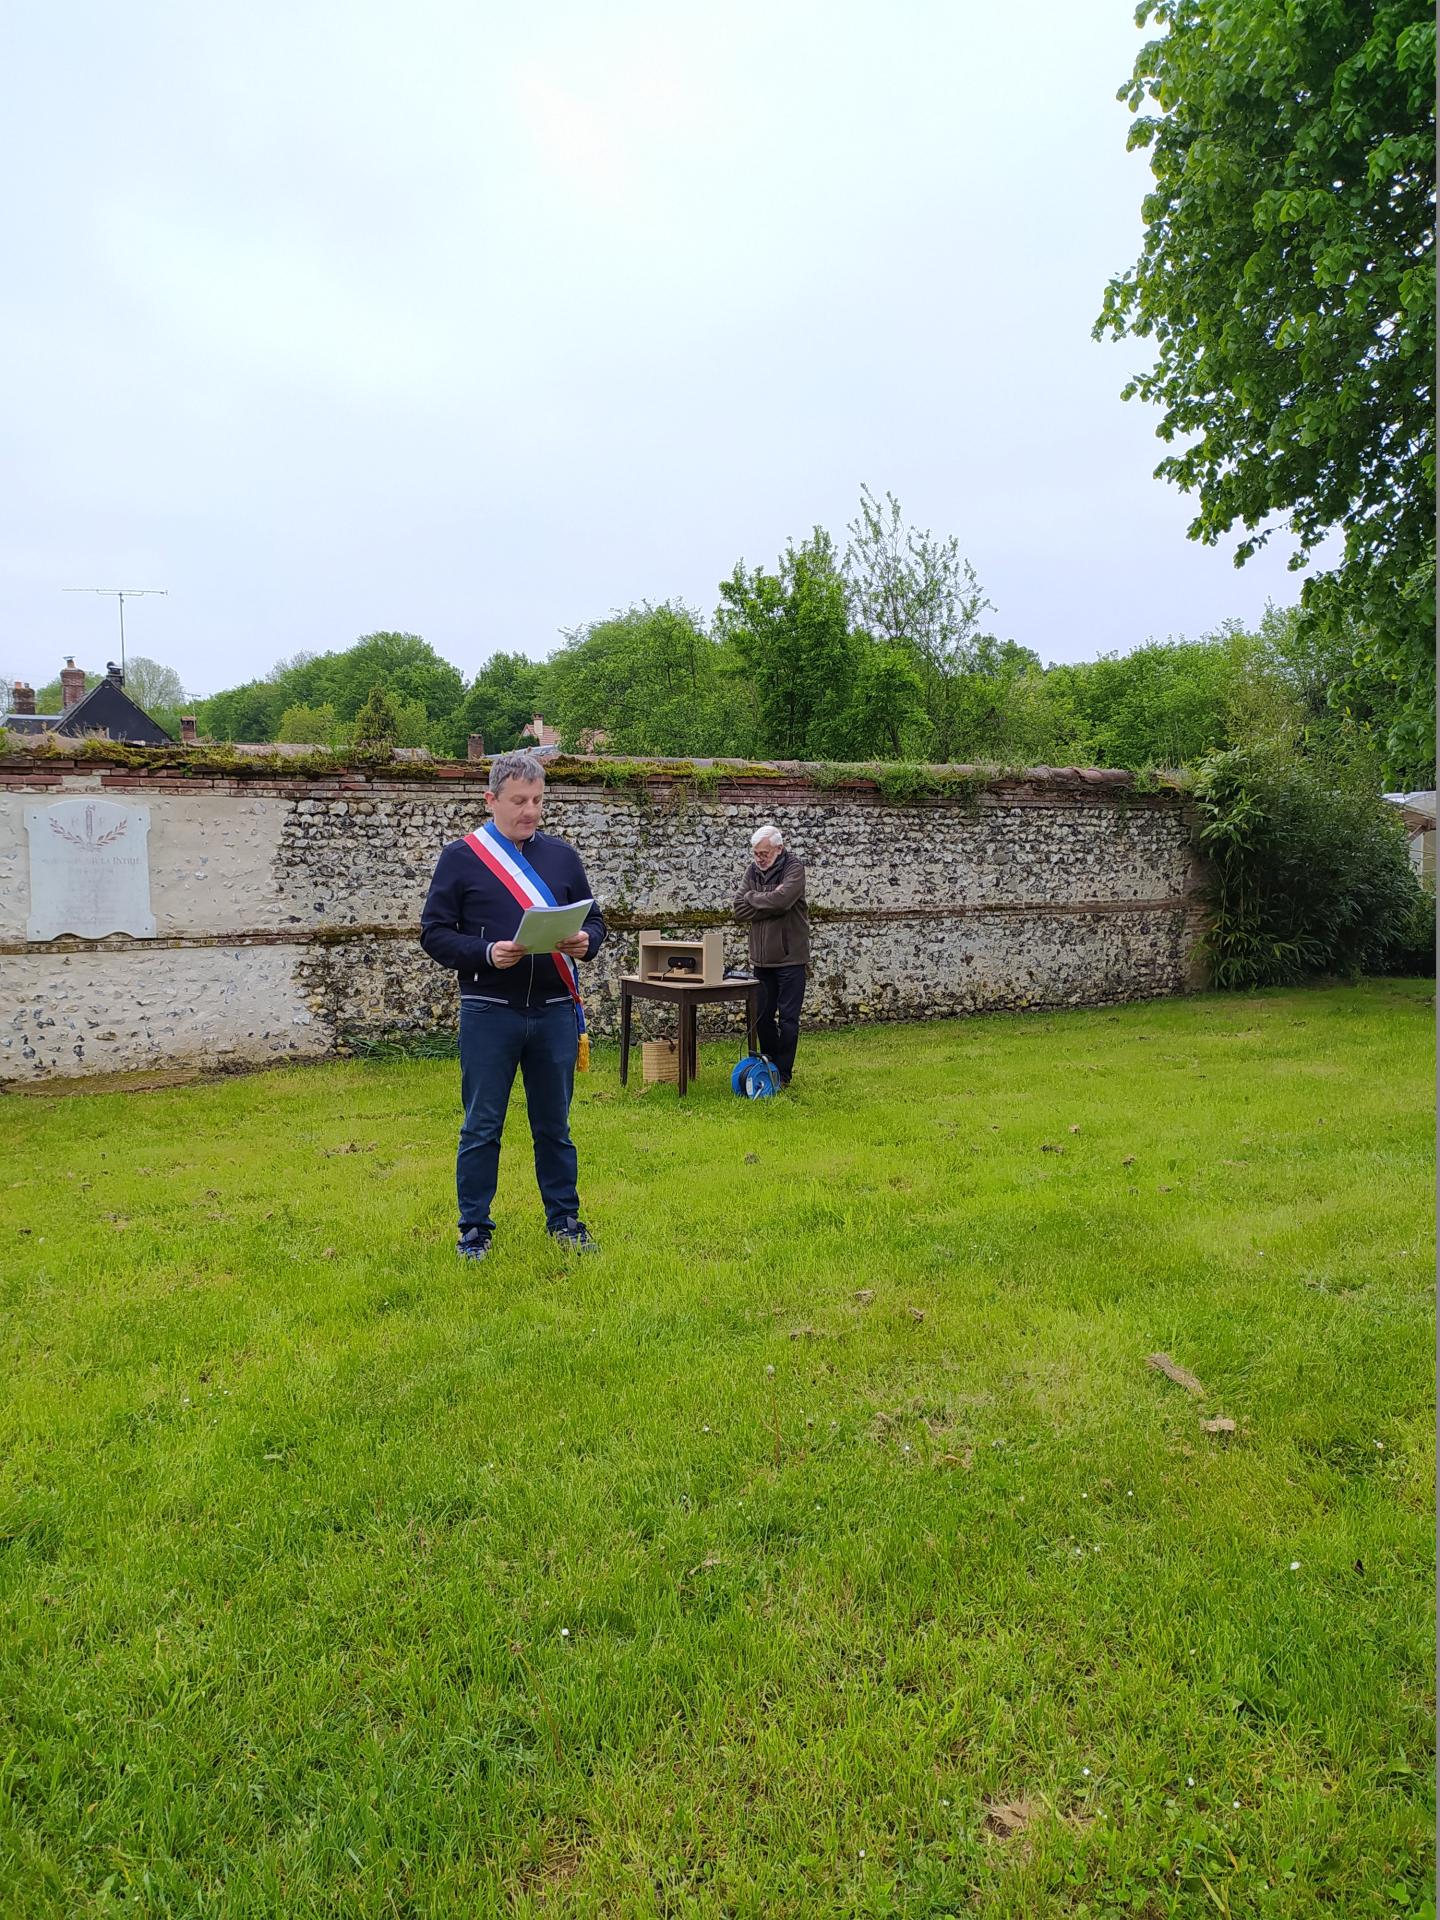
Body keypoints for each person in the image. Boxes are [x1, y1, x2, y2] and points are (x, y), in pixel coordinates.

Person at [420, 749, 606, 1259]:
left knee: (555, 1125)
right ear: (491, 800)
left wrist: (586, 942)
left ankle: (565, 1220)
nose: (530, 811)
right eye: (519, 801)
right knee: (482, 1126)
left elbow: (596, 923)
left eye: (538, 801)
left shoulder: (563, 857)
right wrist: (485, 953)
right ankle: (474, 1229)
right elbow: (434, 934)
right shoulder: (461, 857)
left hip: (553, 1011)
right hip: (488, 1009)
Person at [733, 822, 809, 1088]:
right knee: (761, 1018)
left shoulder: (794, 868)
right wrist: (766, 899)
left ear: (779, 849)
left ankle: (784, 1074)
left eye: (763, 854)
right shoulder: (752, 871)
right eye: (755, 853)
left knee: (788, 1019)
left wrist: (755, 898)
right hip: (761, 960)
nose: (758, 859)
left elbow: (783, 901)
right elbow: (738, 909)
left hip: (790, 958)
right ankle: (769, 1065)